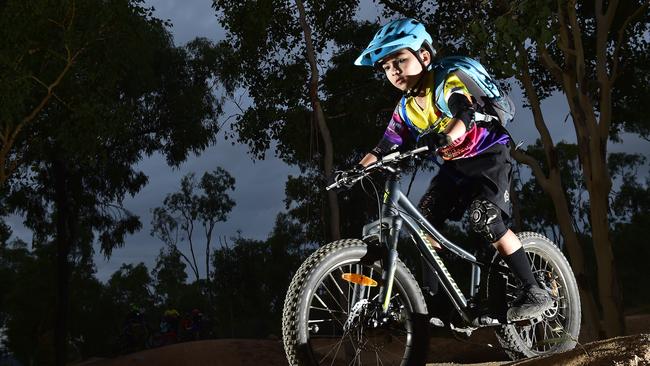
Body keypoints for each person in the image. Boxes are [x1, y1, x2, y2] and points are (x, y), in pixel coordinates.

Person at [353, 18, 552, 321]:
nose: (393, 70)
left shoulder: (445, 81)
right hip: (455, 167)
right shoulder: (405, 108)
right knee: (425, 222)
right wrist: (356, 170)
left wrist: (447, 135)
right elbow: (384, 145)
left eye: (400, 60)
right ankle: (434, 305)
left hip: (489, 157)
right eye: (386, 66)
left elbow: (465, 112)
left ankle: (534, 289)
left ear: (424, 56)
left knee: (486, 218)